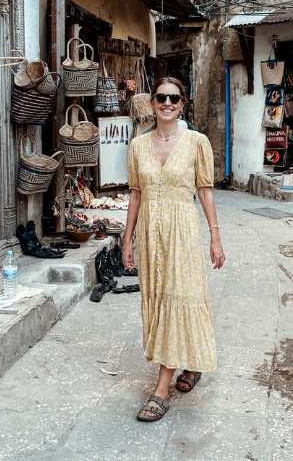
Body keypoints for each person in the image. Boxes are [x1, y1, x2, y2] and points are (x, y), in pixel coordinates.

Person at [121, 77, 225, 422]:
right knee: (160, 299)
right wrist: (127, 238)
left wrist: (215, 235)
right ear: (152, 103)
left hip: (182, 233)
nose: (167, 103)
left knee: (180, 297)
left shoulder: (197, 143)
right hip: (151, 236)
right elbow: (136, 194)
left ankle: (161, 389)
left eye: (175, 98)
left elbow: (205, 191)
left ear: (183, 105)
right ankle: (191, 363)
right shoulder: (137, 146)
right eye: (161, 97)